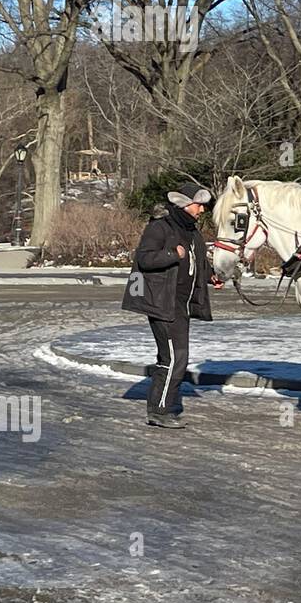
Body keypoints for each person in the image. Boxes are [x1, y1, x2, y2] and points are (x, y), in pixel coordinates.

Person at [120, 183, 215, 428]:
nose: (202, 209)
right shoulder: (160, 227)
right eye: (198, 204)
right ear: (184, 204)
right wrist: (173, 254)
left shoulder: (192, 232)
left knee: (169, 358)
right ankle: (161, 412)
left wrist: (211, 276)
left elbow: (198, 264)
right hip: (163, 304)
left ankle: (158, 409)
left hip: (181, 306)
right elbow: (144, 258)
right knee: (176, 358)